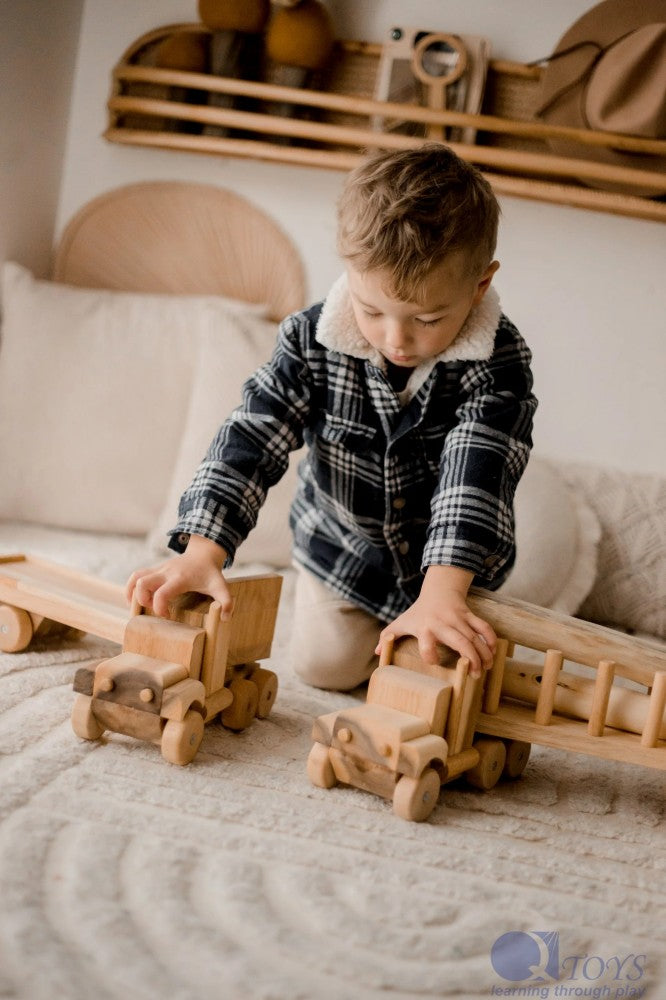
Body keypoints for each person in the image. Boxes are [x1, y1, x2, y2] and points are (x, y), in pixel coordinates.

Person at [126, 144, 537, 690]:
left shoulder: (499, 361)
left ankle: (428, 623)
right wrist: (203, 550)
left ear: (479, 285)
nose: (397, 339)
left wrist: (443, 595)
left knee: (450, 677)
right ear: (350, 272)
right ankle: (385, 638)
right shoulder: (309, 339)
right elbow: (253, 435)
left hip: (454, 567)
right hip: (344, 550)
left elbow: (474, 476)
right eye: (373, 311)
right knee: (325, 669)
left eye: (428, 318)